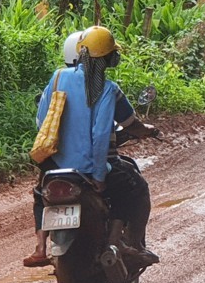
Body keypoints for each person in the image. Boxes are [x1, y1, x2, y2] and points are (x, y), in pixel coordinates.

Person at [23, 26, 159, 267]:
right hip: (90, 169)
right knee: (134, 188)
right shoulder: (108, 90)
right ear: (109, 59)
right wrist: (98, 175)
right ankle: (124, 243)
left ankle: (40, 247)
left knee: (40, 194)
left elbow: (42, 121)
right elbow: (104, 134)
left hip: (55, 165)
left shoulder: (57, 78)